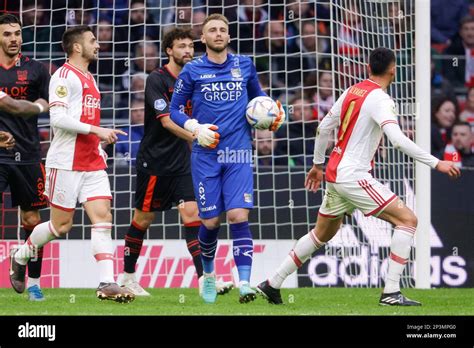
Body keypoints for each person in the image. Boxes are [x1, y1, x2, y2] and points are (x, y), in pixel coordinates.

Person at [257, 47, 461, 306]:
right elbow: (397, 141)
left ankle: (272, 283)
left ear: (368, 67)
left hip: (334, 173)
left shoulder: (352, 91)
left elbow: (323, 128)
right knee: (408, 220)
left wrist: (318, 165)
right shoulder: (382, 100)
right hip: (354, 176)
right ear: (393, 69)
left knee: (321, 235)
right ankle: (391, 292)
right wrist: (437, 163)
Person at [9, 25, 134, 303]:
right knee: (60, 226)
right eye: (92, 41)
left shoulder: (89, 77)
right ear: (77, 47)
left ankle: (107, 283)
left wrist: (99, 144)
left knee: (103, 219)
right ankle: (20, 256)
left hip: (92, 163)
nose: (98, 45)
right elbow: (58, 120)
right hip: (65, 163)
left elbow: (85, 121)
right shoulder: (63, 77)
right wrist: (97, 132)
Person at [170, 14, 284, 304]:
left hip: (239, 154)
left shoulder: (244, 65)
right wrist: (195, 128)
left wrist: (273, 116)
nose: (218, 34)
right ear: (203, 38)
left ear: (229, 37)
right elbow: (174, 111)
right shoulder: (192, 70)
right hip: (205, 155)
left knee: (238, 216)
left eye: (223, 30)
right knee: (209, 223)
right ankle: (208, 274)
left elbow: (260, 101)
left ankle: (244, 282)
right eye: (212, 31)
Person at [120, 27, 233, 297]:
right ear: (169, 50)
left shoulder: (196, 78)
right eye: (181, 46)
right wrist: (197, 136)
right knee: (143, 219)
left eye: (190, 46)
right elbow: (168, 120)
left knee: (193, 216)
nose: (188, 51)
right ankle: (127, 277)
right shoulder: (157, 79)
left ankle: (206, 279)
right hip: (155, 162)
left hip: (184, 161)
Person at [0, 14, 51, 302]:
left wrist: (37, 107)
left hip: (29, 154)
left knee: (32, 218)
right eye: (7, 34)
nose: (14, 39)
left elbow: (47, 102)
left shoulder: (36, 69)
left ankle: (33, 282)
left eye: (17, 33)